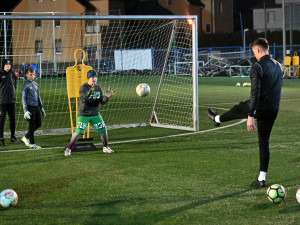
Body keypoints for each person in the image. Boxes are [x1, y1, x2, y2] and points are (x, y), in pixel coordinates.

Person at [207, 38, 283, 187]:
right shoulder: (279, 66)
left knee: (238, 108)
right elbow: (279, 87)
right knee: (264, 142)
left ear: (259, 50)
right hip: (273, 108)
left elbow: (255, 92)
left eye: (254, 51)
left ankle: (217, 119)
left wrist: (250, 116)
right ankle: (261, 179)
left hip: (259, 107)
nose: (254, 54)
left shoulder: (257, 67)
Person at [64, 70, 115, 156]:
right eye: (92, 77)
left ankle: (105, 147)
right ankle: (68, 149)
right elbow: (83, 99)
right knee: (79, 131)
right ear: (89, 78)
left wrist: (107, 97)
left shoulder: (98, 88)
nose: (94, 79)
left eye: (95, 77)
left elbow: (101, 102)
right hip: (84, 114)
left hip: (95, 113)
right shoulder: (83, 87)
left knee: (103, 129)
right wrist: (90, 92)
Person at [21, 67, 46, 149]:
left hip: (36, 107)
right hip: (29, 107)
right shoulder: (25, 85)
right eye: (30, 74)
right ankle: (32, 144)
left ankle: (26, 137)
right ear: (26, 75)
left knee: (38, 124)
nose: (32, 76)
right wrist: (25, 111)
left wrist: (41, 107)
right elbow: (23, 98)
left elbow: (38, 96)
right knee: (31, 125)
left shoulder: (36, 84)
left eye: (33, 74)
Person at [0, 59, 19, 146]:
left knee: (12, 119)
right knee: (1, 120)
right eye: (7, 64)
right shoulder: (0, 74)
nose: (8, 66)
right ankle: (1, 138)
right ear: (3, 65)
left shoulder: (13, 75)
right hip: (2, 102)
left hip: (11, 101)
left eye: (9, 64)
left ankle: (13, 136)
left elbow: (14, 86)